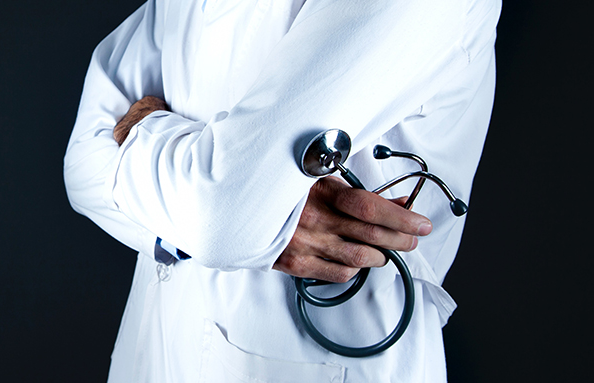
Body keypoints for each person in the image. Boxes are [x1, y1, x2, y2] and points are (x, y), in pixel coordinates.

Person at [64, 0, 501, 381]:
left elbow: (221, 214)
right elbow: (82, 163)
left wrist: (141, 130)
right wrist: (222, 208)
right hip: (155, 353)